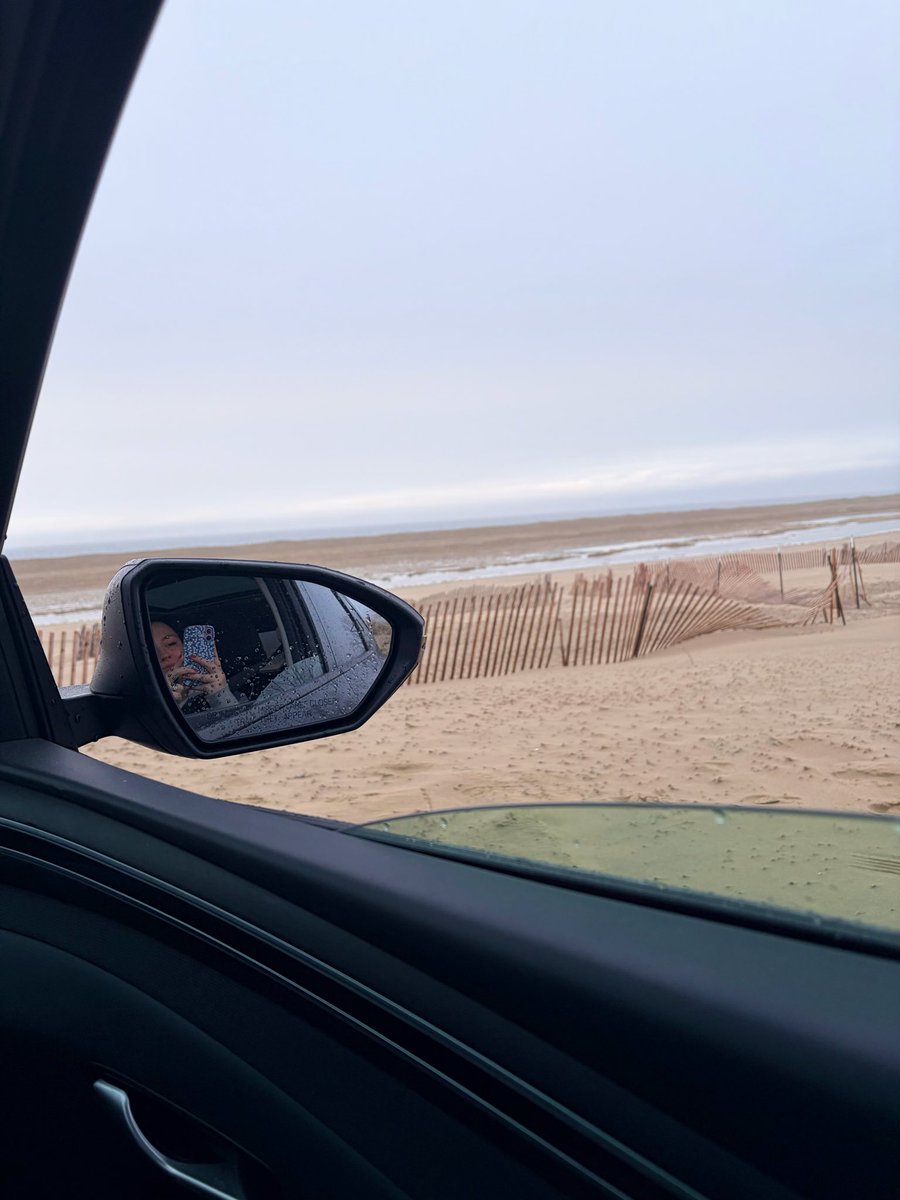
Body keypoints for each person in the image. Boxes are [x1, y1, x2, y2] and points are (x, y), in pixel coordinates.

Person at [150, 621, 242, 713]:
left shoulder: (238, 693)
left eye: (171, 643)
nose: (164, 655)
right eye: (151, 651)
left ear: (185, 646)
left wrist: (220, 695)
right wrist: (164, 701)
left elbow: (237, 718)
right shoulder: (145, 704)